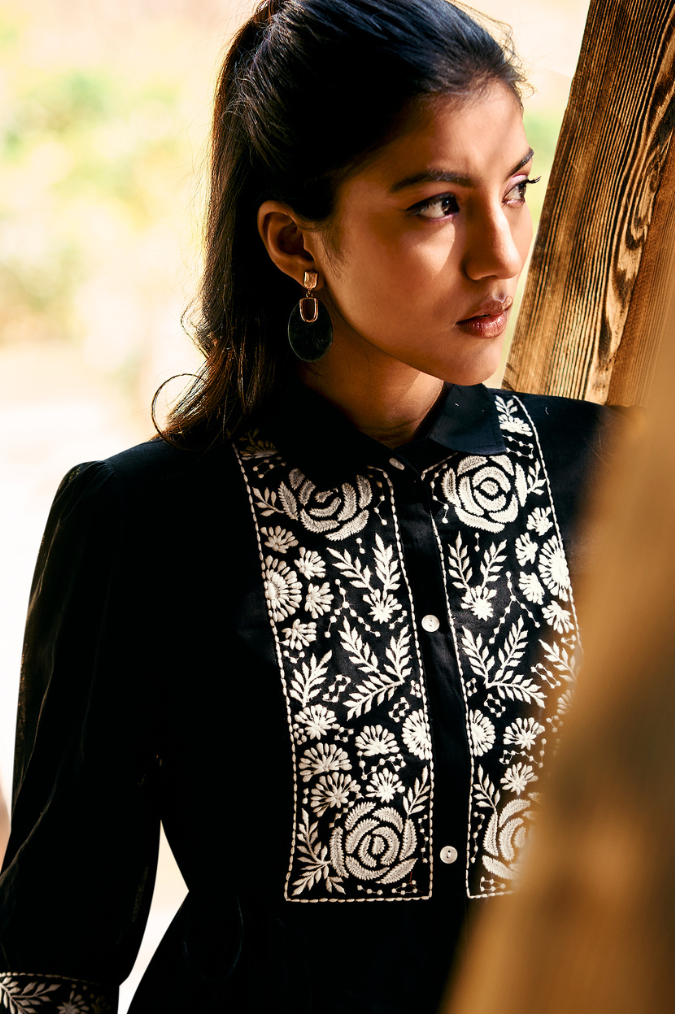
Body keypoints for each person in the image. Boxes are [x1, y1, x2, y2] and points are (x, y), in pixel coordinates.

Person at [0, 1, 616, 1011]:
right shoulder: (141, 522)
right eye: (437, 205)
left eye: (515, 189)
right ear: (295, 243)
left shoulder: (619, 473)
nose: (502, 254)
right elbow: (52, 959)